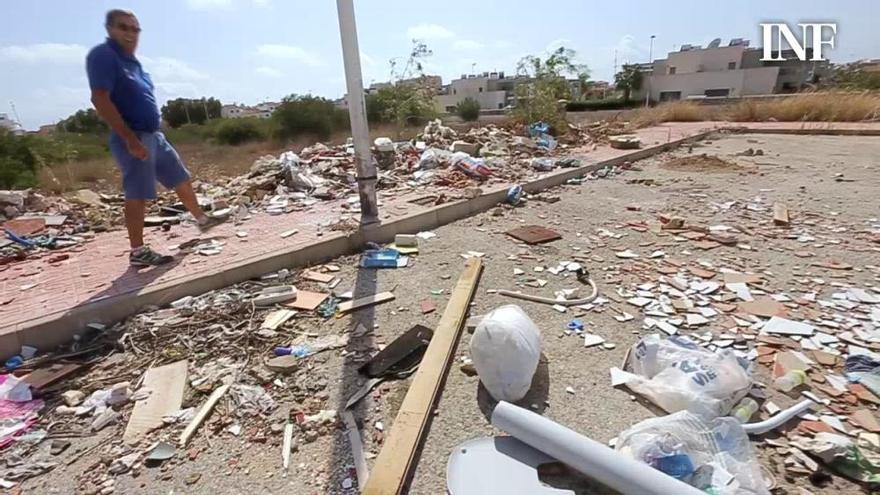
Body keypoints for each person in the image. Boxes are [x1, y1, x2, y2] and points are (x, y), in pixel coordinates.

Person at [86, 9, 224, 266]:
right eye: (123, 27)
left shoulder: (133, 64)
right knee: (138, 192)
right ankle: (138, 251)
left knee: (180, 177)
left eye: (134, 29)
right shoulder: (104, 56)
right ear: (110, 29)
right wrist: (129, 138)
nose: (130, 33)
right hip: (133, 136)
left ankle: (202, 221)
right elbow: (100, 99)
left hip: (154, 136)